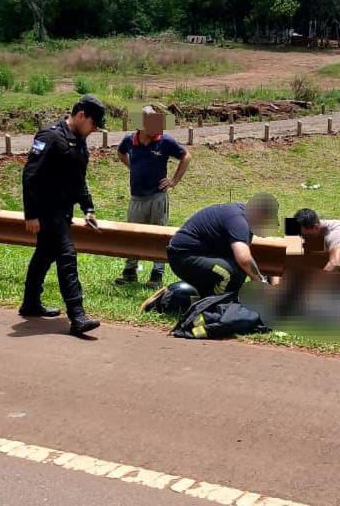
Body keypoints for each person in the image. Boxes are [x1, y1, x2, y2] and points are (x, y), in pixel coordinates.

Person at [19, 96, 106, 337]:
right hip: (47, 211)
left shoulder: (78, 141)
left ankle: (30, 303)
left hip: (64, 210)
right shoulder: (50, 137)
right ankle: (77, 316)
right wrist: (32, 214)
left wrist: (88, 208)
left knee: (44, 256)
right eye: (94, 124)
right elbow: (30, 176)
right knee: (67, 256)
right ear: (80, 116)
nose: (95, 129)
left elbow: (79, 180)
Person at [116, 106, 191, 287]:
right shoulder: (129, 140)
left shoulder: (165, 141)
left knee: (159, 235)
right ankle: (130, 271)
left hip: (158, 197)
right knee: (133, 235)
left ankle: (157, 274)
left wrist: (174, 181)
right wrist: (132, 167)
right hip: (136, 198)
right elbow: (120, 152)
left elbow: (186, 156)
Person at [167, 194, 279, 297]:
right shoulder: (239, 221)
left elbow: (250, 261)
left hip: (197, 254)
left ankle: (183, 296)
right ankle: (213, 306)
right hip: (184, 256)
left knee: (238, 271)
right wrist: (260, 281)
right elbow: (244, 259)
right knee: (231, 273)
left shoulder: (242, 216)